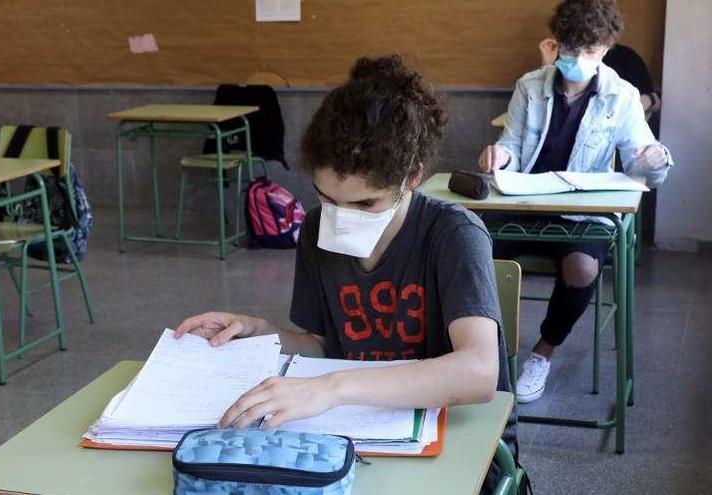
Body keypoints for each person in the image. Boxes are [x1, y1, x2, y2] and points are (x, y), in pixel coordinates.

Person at [176, 54, 516, 492]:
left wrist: (332, 389)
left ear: (411, 177)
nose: (341, 217)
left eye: (365, 204)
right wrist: (257, 331)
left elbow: (477, 372)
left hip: (460, 445)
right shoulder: (318, 229)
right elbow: (322, 344)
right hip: (355, 439)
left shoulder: (452, 234)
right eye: (326, 197)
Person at [478, 0, 673, 404]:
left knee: (582, 269)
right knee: (472, 250)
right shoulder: (530, 86)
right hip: (525, 202)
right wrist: (500, 156)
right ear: (557, 44)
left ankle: (542, 354)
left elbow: (646, 165)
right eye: (571, 50)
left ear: (604, 49)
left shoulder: (621, 96)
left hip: (584, 210)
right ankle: (486, 350)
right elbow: (510, 144)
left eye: (589, 52)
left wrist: (653, 161)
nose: (578, 59)